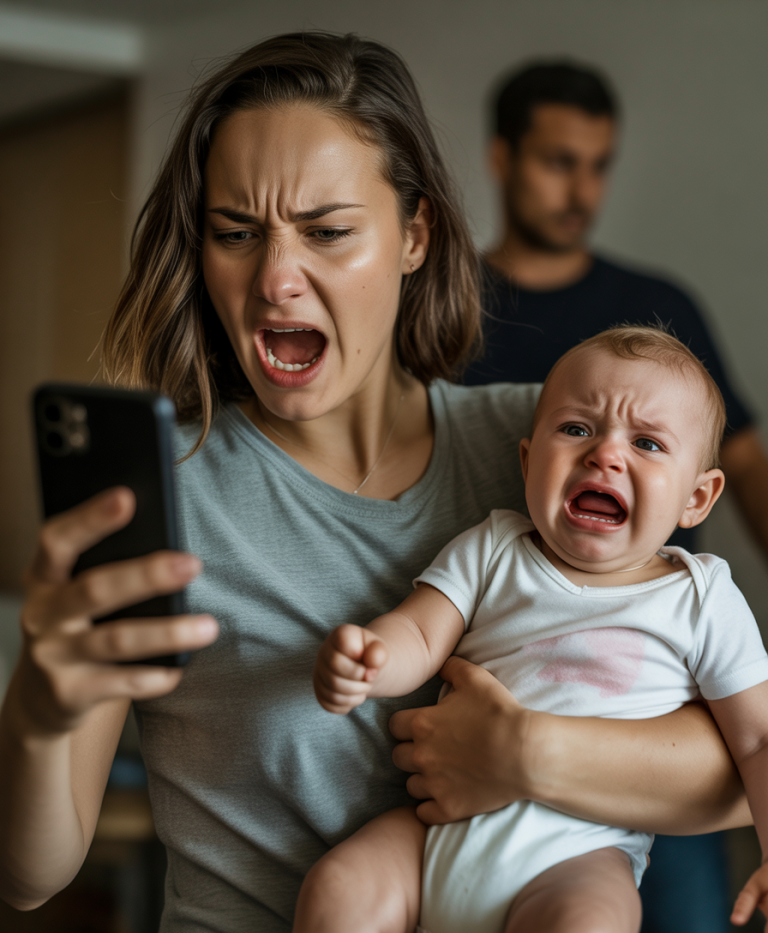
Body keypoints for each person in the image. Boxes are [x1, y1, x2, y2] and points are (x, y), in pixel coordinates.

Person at [0, 34, 752, 933]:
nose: (276, 280)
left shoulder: (544, 447)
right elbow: (30, 876)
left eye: (327, 231)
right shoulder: (165, 496)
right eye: (236, 233)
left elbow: (735, 779)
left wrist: (522, 750)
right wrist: (40, 716)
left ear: (415, 236)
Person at [301, 326, 768, 933]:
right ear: (527, 461)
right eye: (577, 429)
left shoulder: (701, 598)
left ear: (697, 499)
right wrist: (367, 657)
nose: (605, 454)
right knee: (340, 885)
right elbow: (419, 635)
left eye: (648, 443)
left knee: (588, 922)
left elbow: (756, 740)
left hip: (579, 853)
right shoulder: (495, 548)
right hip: (434, 832)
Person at [464, 59, 768, 931]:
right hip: (512, 678)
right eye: (559, 161)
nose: (581, 189)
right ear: (502, 157)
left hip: (658, 707)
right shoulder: (450, 309)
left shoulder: (657, 306)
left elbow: (744, 467)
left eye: (598, 164)